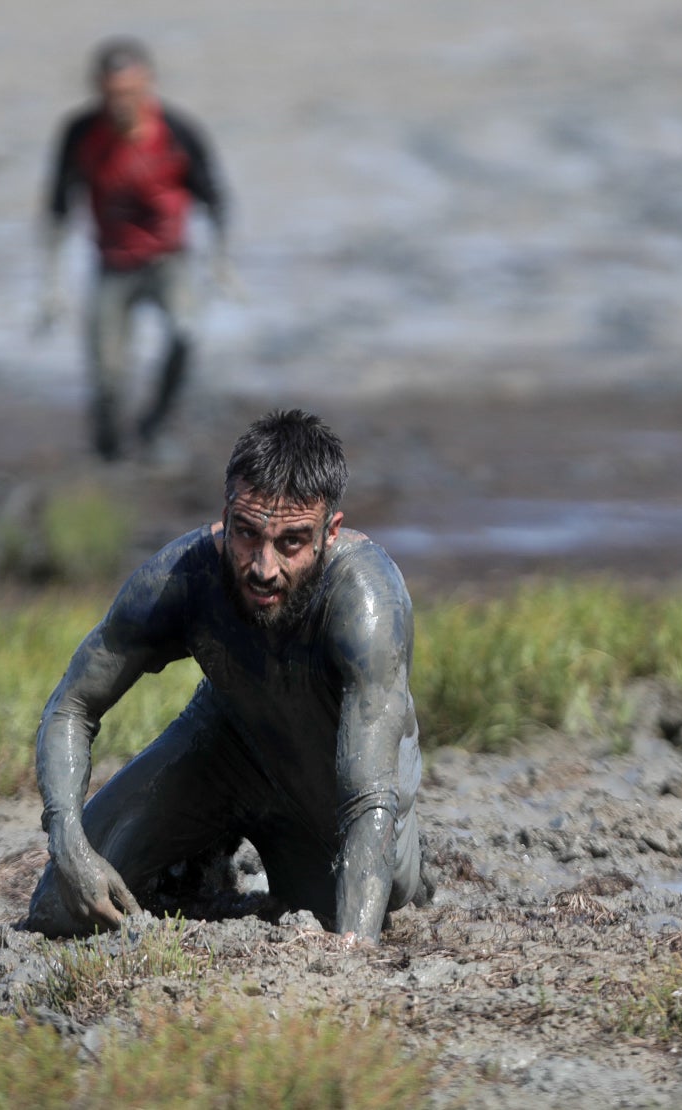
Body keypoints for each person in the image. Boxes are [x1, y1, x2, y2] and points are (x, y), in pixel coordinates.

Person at [25, 410, 429, 944]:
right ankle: (199, 859)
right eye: (247, 534)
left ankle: (240, 865)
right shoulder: (183, 576)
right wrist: (68, 843)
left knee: (366, 905)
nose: (263, 566)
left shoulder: (365, 599)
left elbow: (368, 799)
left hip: (333, 785)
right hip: (226, 746)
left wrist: (349, 961)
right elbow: (71, 707)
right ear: (226, 516)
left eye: (291, 542)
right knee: (58, 909)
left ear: (330, 532)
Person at [35, 36, 233, 462]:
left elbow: (215, 197)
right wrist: (50, 284)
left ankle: (154, 427)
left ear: (148, 84)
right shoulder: (81, 133)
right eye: (111, 94)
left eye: (129, 92)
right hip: (112, 265)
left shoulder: (178, 131)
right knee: (107, 376)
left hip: (169, 260)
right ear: (97, 89)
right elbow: (57, 206)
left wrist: (222, 264)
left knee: (185, 335)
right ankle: (108, 452)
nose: (120, 103)